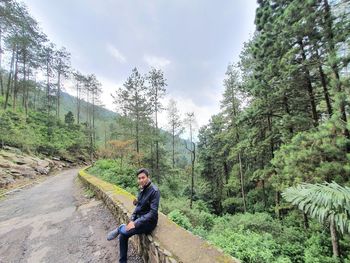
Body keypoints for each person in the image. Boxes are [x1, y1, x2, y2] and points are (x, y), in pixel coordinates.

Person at [106, 168, 160, 263]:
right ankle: (122, 261)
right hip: (140, 218)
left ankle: (120, 228)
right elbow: (138, 207)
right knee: (123, 236)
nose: (141, 180)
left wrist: (136, 222)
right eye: (139, 178)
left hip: (149, 222)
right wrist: (132, 220)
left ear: (148, 177)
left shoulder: (154, 191)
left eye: (143, 177)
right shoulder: (142, 189)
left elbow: (153, 212)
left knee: (124, 232)